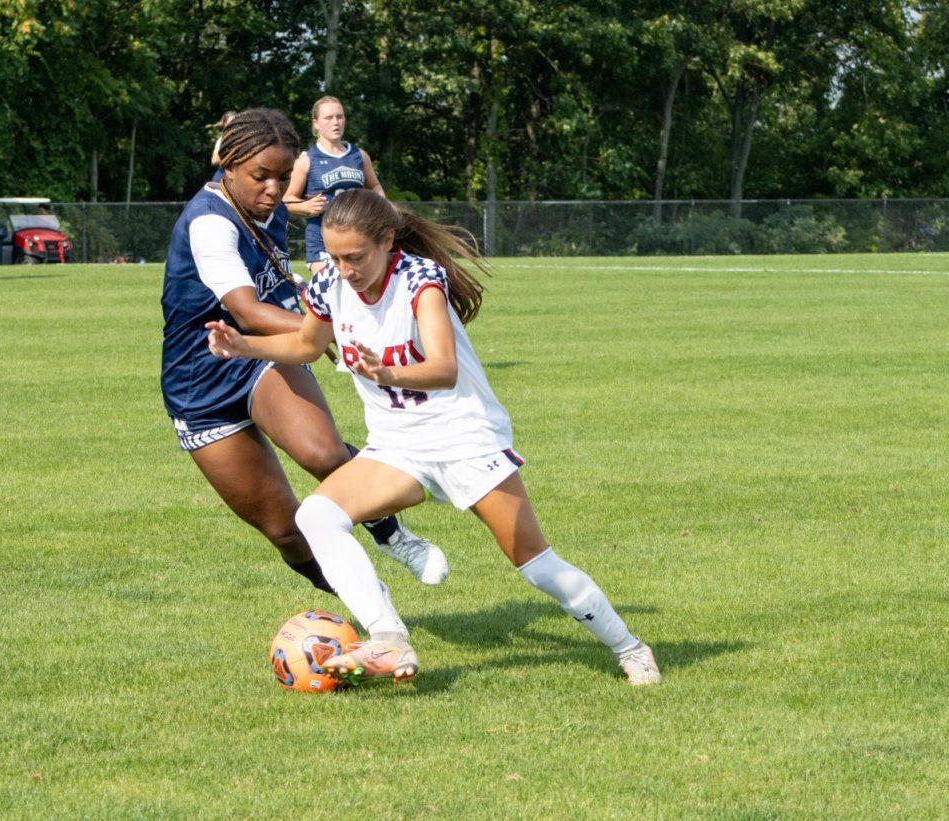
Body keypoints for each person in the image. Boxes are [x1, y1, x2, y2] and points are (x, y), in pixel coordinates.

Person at [205, 189, 661, 686]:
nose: (344, 268)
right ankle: (389, 638)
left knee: (535, 564)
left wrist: (387, 374)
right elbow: (306, 345)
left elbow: (443, 369)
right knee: (317, 514)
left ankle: (631, 648)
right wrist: (240, 344)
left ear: (386, 241)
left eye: (355, 257)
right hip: (398, 447)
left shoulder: (420, 281)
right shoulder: (330, 284)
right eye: (335, 257)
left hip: (466, 439)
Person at [161, 109, 448, 600]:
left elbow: (268, 299)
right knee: (286, 531)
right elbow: (246, 311)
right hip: (200, 383)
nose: (273, 189)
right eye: (260, 177)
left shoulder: (264, 207)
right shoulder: (210, 223)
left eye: (280, 175)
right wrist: (338, 327)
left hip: (262, 356)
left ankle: (392, 535)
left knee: (324, 454)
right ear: (226, 167)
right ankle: (369, 605)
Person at [283, 96, 384, 276]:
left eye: (340, 117)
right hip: (322, 243)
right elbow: (286, 201)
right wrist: (305, 207)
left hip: (358, 238)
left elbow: (375, 186)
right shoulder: (306, 160)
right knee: (332, 299)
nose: (336, 122)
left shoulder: (359, 155)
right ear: (316, 123)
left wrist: (381, 207)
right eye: (328, 118)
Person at [209, 111, 237, 183]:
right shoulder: (221, 141)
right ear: (225, 124)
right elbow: (214, 160)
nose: (232, 125)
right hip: (223, 175)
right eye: (230, 122)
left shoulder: (244, 138)